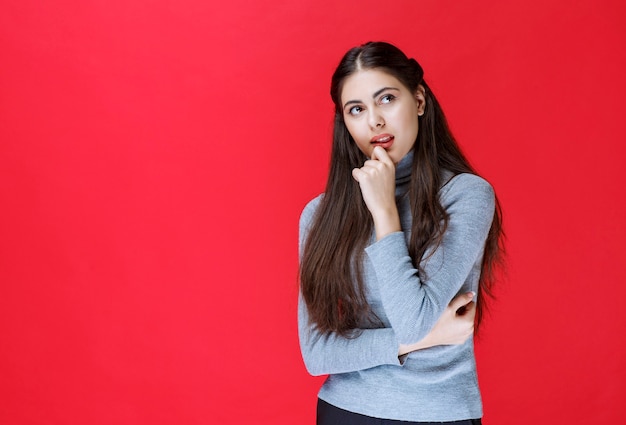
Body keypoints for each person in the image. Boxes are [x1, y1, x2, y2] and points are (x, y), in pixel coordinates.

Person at [298, 41, 505, 424]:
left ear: (419, 100)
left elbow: (413, 318)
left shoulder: (465, 195)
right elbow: (317, 354)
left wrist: (384, 213)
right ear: (345, 122)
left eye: (387, 99)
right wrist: (426, 340)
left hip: (439, 413)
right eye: (356, 109)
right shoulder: (319, 215)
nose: (374, 120)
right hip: (345, 411)